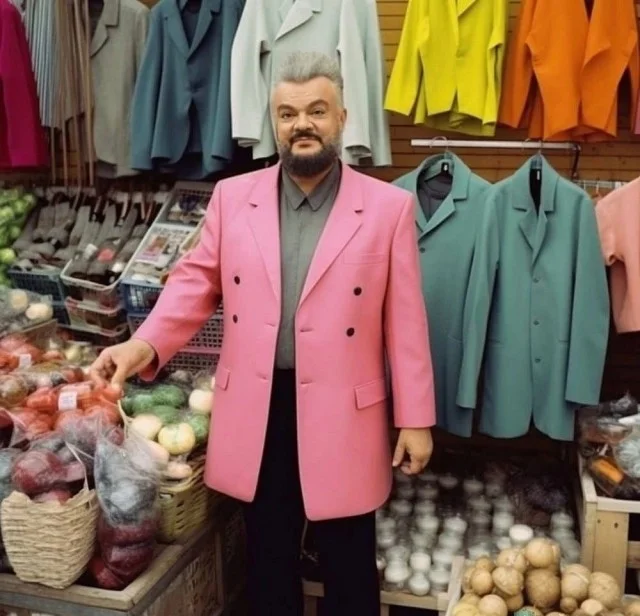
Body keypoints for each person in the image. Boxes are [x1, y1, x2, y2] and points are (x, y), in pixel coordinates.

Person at [91, 51, 436, 616]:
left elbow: (407, 322)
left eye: (317, 111)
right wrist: (142, 344)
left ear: (342, 117)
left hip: (344, 409)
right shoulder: (233, 198)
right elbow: (194, 281)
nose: (302, 124)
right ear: (273, 123)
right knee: (268, 557)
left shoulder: (387, 208)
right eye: (288, 113)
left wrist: (416, 418)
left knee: (348, 556)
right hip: (259, 405)